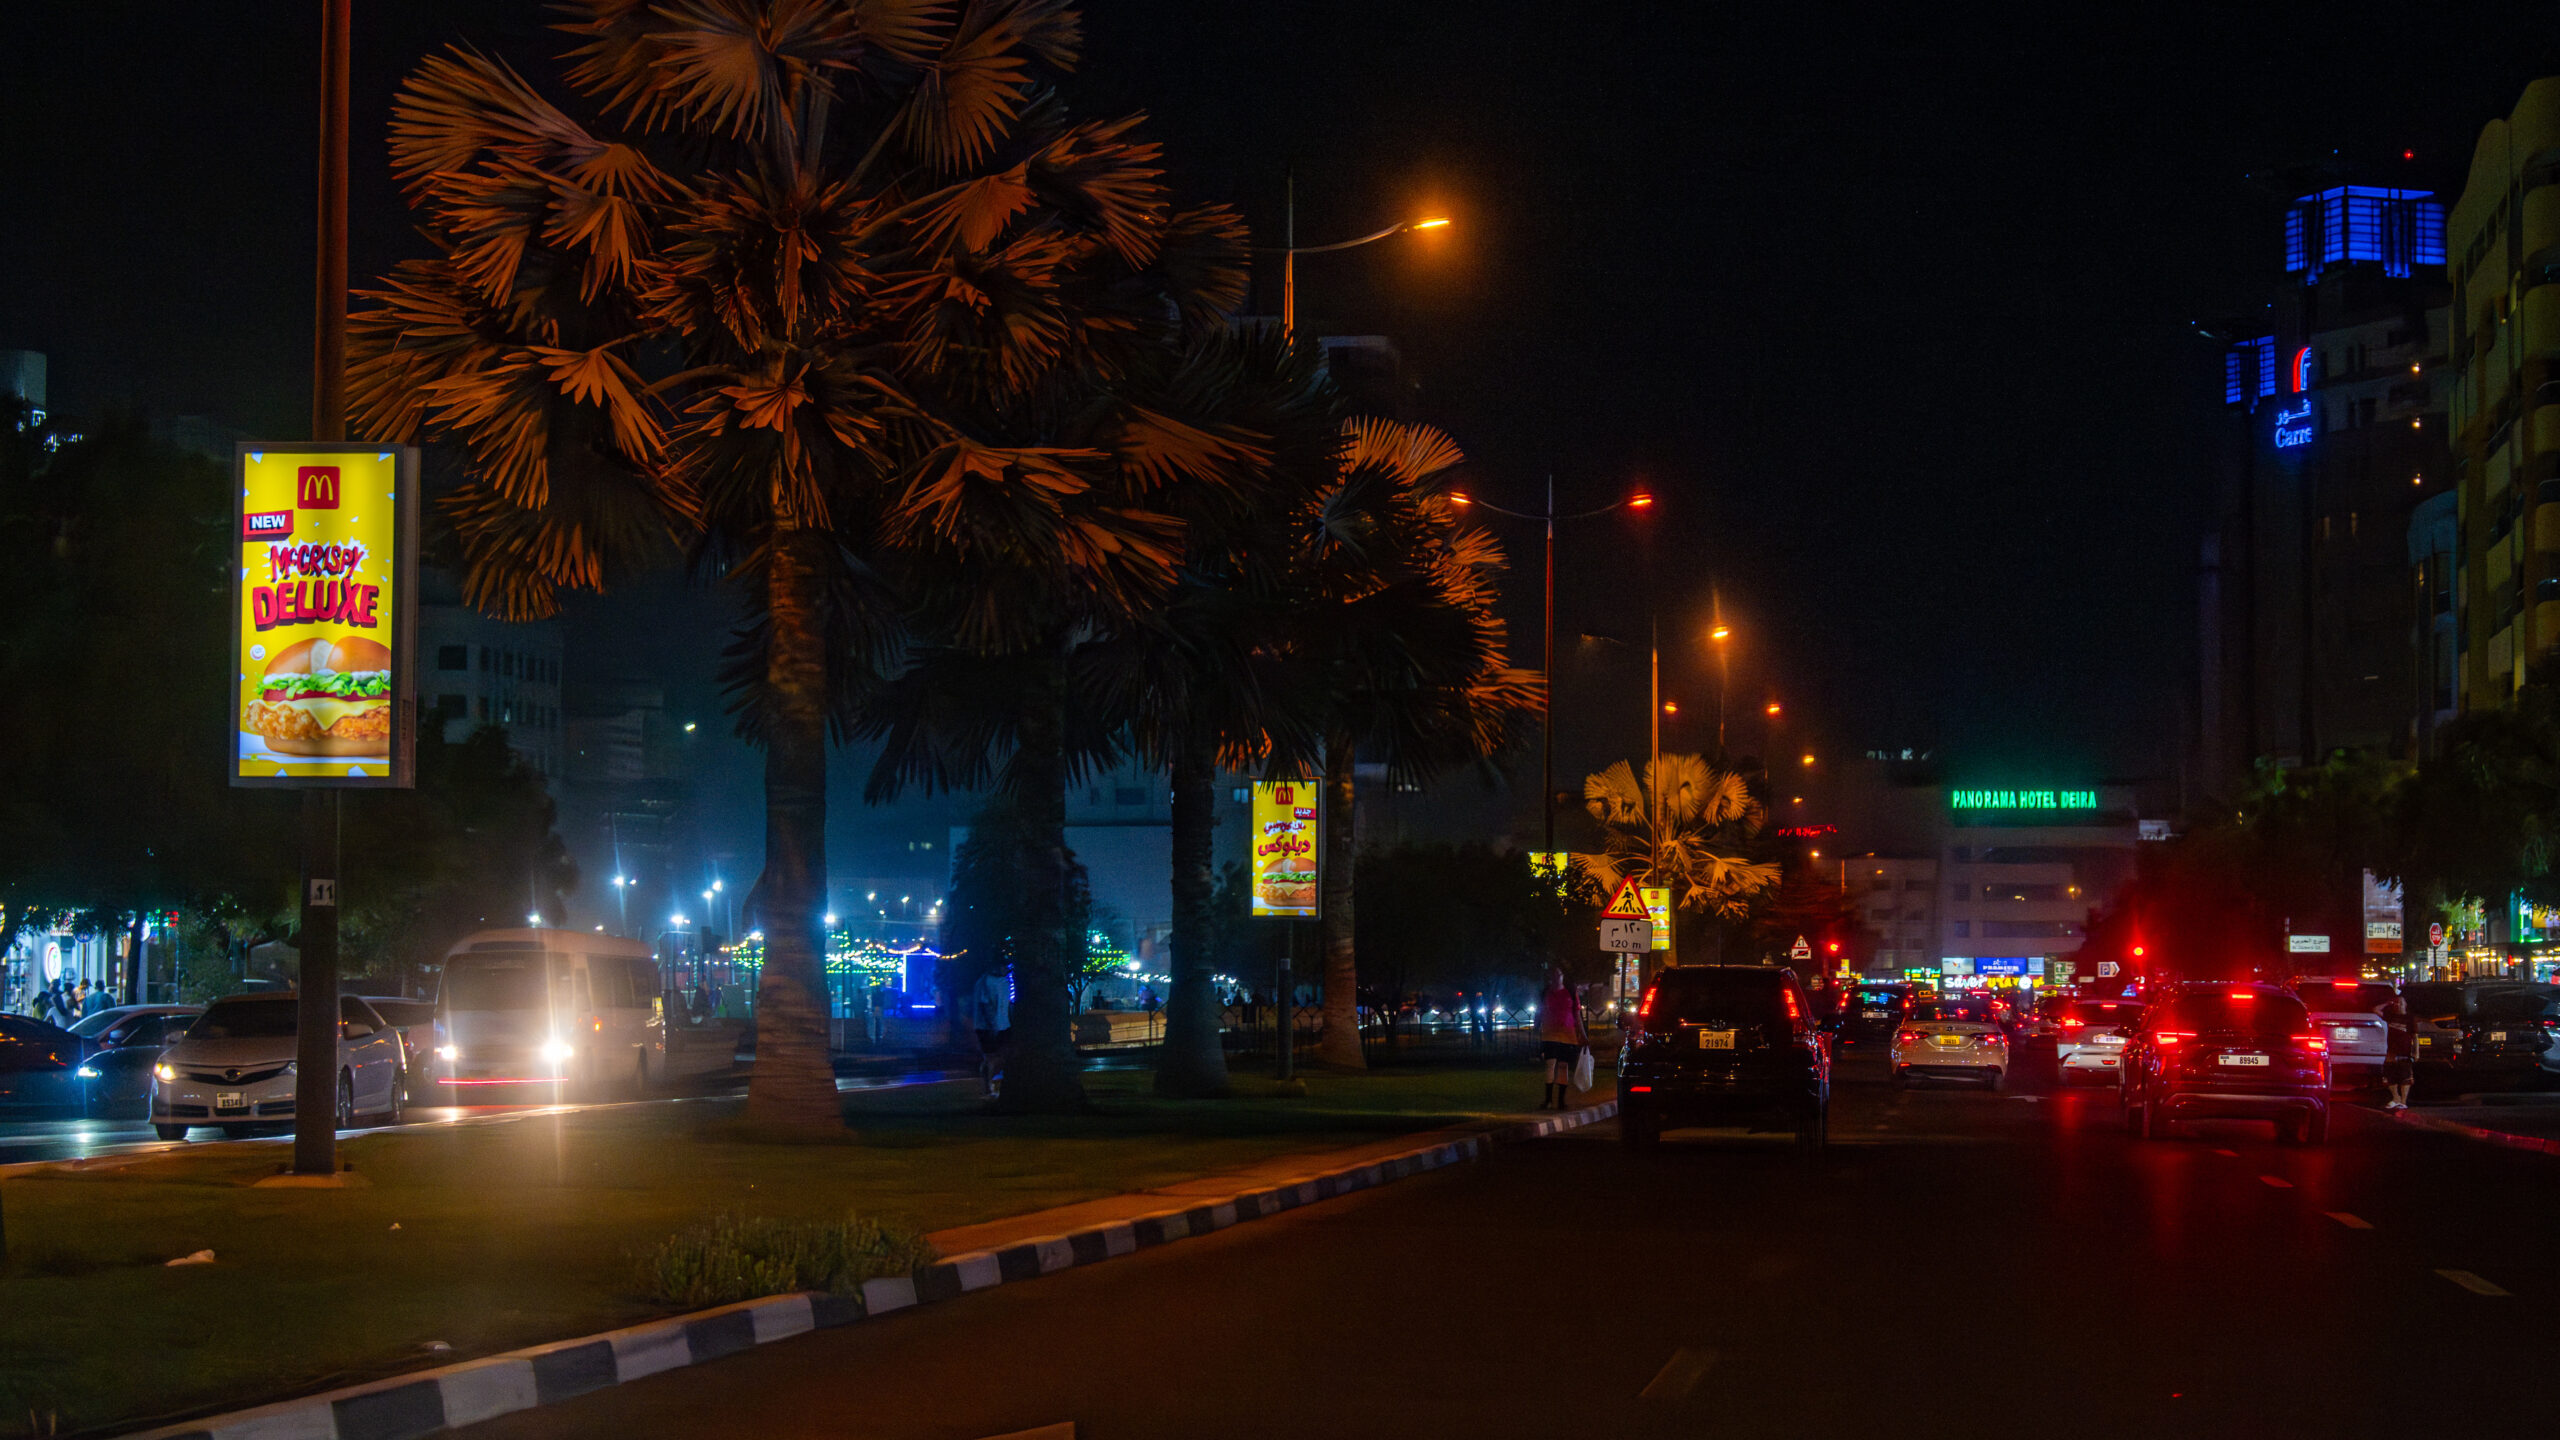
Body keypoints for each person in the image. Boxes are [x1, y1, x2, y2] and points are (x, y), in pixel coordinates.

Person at [1534, 966, 1588, 1110]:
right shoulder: (1546, 993)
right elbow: (1539, 1010)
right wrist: (1536, 1026)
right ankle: (1548, 1100)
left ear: (1563, 976)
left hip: (1567, 1034)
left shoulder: (1570, 992)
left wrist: (1582, 1035)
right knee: (1550, 1064)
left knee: (1563, 1066)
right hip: (1550, 1033)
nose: (1556, 977)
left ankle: (1561, 1101)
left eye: (1559, 974)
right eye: (1554, 974)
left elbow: (1577, 1014)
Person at [966, 966, 1012, 1098]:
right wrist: (992, 1025)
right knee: (990, 1057)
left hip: (1001, 1025)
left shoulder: (1002, 982)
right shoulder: (986, 982)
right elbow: (986, 1006)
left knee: (996, 1057)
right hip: (988, 1026)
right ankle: (989, 1088)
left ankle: (992, 1087)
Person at [2380, 993, 2415, 1111]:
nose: (2398, 1005)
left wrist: (2416, 1052)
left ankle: (2403, 1102)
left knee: (2405, 1077)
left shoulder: (2410, 1019)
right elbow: (2375, 1010)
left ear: (2405, 1005)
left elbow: (2415, 1036)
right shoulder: (2390, 1016)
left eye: (2401, 1003)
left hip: (2405, 1052)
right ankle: (2396, 1098)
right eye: (2396, 1003)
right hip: (2391, 1052)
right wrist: (2387, 1003)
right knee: (2389, 1076)